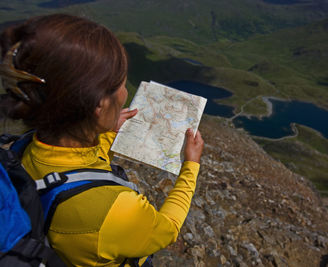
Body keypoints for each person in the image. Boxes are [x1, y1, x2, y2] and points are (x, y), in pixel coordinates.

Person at [0, 14, 204, 266]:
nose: (126, 92)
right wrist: (191, 167)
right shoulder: (118, 211)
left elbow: (76, 170)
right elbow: (166, 229)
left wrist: (103, 131)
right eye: (121, 83)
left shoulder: (26, 147)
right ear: (99, 105)